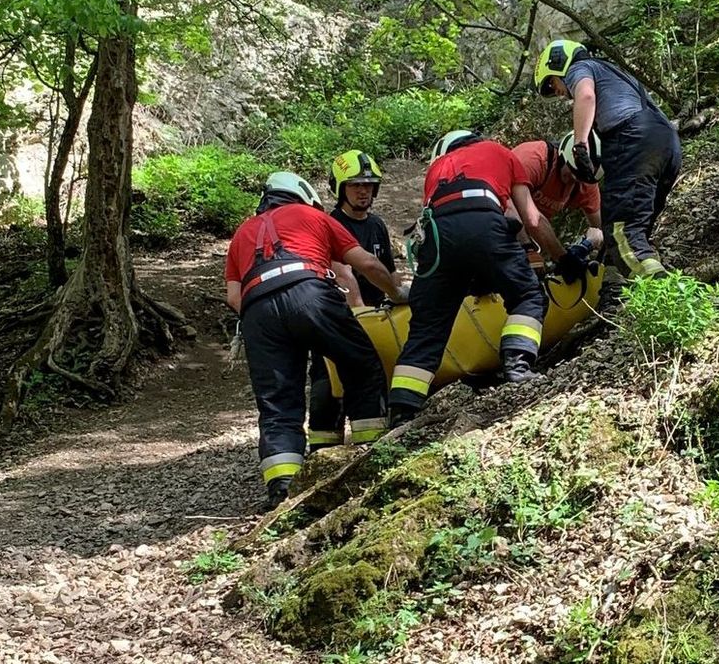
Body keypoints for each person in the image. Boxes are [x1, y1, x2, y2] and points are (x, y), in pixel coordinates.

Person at [224, 171, 408, 509]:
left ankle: (283, 489)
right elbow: (365, 263)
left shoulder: (241, 235)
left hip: (258, 313)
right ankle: (373, 458)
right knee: (362, 364)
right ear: (303, 196)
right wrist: (397, 293)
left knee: (278, 403)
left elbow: (235, 298)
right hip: (310, 294)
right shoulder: (313, 216)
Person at [388, 130, 547, 426]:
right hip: (483, 221)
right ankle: (518, 367)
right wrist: (555, 257)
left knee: (426, 327)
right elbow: (529, 217)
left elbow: (450, 225)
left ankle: (402, 408)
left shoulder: (437, 168)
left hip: (436, 238)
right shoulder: (499, 151)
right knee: (527, 295)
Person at [534, 40, 681, 279]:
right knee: (635, 229)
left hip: (633, 139)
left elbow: (586, 96)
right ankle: (615, 289)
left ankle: (662, 294)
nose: (558, 92)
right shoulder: (611, 72)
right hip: (666, 142)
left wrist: (580, 143)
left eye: (552, 82)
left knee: (621, 230)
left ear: (558, 63)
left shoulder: (580, 68)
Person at [510, 131, 605, 282]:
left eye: (579, 179)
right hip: (499, 215)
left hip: (528, 234)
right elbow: (530, 218)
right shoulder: (533, 158)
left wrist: (592, 244)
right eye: (571, 174)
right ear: (563, 157)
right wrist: (563, 258)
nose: (572, 181)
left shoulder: (584, 181)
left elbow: (601, 224)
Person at [327, 149, 397, 308]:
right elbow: (340, 275)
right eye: (355, 185)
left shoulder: (377, 225)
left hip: (379, 310)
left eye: (368, 184)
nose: (363, 191)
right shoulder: (332, 224)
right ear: (341, 188)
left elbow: (391, 272)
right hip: (347, 312)